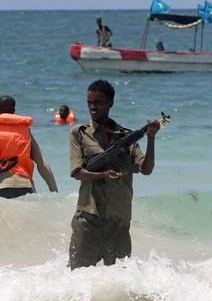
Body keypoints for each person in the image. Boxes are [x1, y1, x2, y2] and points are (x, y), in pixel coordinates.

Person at [68, 79, 159, 269]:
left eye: (97, 103)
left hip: (118, 222)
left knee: (121, 283)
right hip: (88, 219)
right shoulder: (79, 133)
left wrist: (151, 139)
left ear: (110, 103)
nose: (92, 107)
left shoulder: (127, 137)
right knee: (76, 280)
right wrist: (102, 176)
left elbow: (146, 169)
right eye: (89, 103)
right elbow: (77, 172)